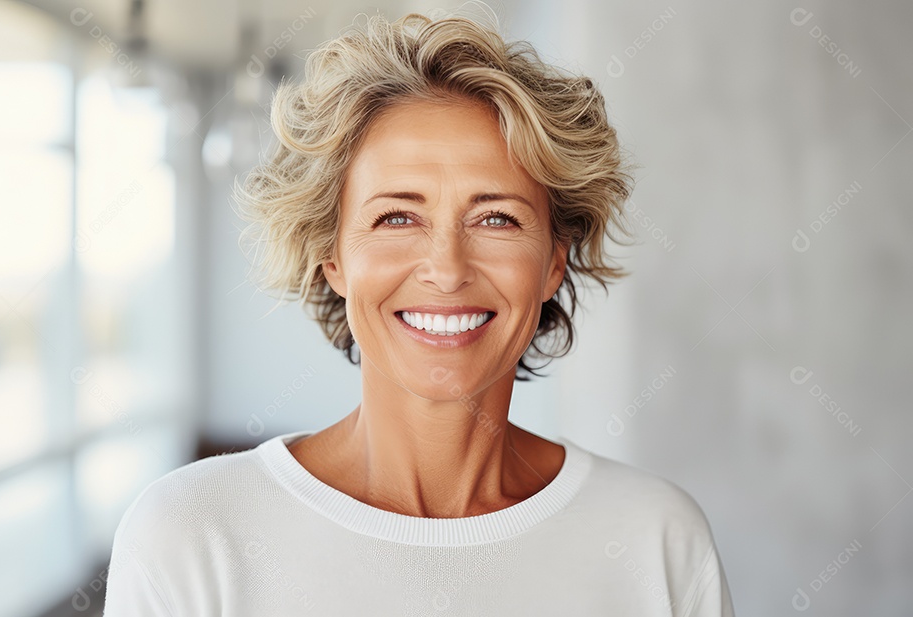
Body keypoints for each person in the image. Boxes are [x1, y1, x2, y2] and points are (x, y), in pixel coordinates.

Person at [103, 10, 735, 616]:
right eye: (397, 217)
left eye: (496, 218)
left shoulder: (657, 541)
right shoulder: (191, 536)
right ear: (333, 260)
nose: (447, 268)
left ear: (552, 264)